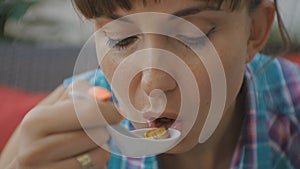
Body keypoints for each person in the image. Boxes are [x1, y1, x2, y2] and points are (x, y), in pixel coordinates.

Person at [0, 0, 299, 168]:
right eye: (121, 39)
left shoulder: (292, 103)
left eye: (191, 35)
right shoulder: (67, 135)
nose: (152, 82)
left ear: (255, 31)